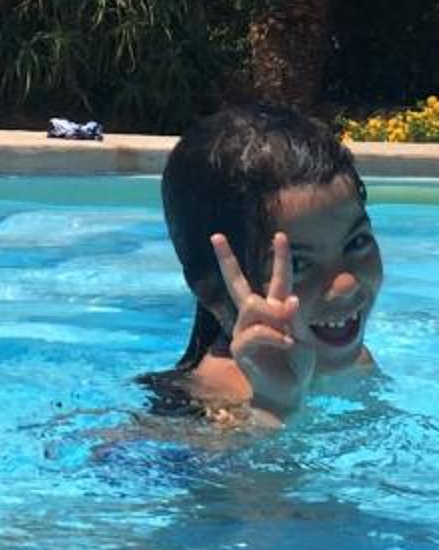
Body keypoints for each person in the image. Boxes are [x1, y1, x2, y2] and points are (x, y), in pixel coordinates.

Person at [146, 104, 384, 424]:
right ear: (211, 289)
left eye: (356, 243)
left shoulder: (353, 360)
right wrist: (274, 407)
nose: (345, 285)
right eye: (297, 264)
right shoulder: (215, 405)